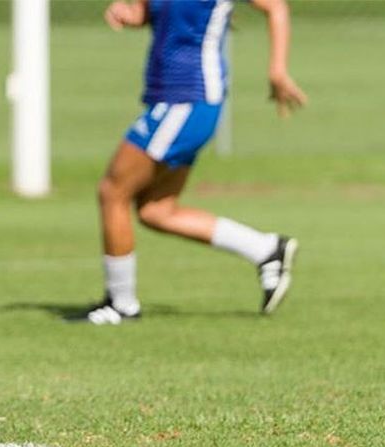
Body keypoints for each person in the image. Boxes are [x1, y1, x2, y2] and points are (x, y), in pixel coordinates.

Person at [80, 0, 308, 325]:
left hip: (189, 98)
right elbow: (152, 12)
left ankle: (121, 305)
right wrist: (130, 15)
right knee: (156, 210)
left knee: (112, 191)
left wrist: (277, 70)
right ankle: (266, 249)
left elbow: (276, 7)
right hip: (170, 99)